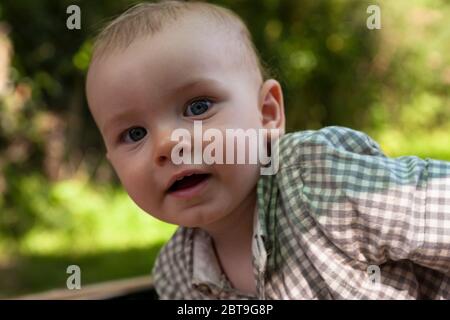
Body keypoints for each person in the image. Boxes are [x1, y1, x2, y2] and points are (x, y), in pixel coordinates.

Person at [85, 1, 450, 299]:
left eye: (198, 107)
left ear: (267, 114)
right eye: (134, 133)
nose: (167, 144)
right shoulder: (178, 272)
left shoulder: (316, 182)